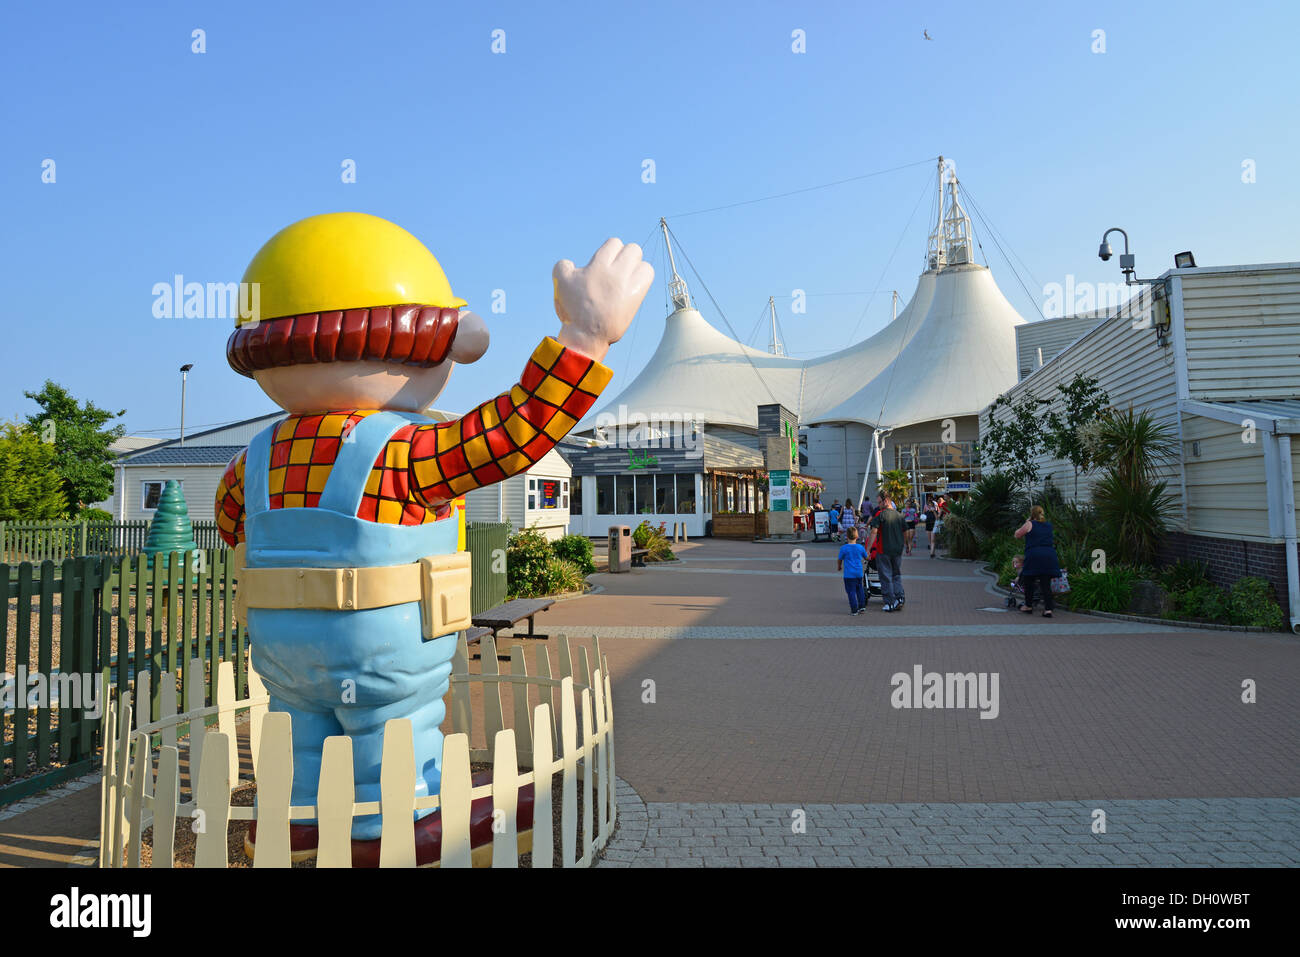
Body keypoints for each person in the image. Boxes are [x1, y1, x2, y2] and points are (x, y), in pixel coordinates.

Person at [1014, 505, 1061, 618]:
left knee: (1029, 581)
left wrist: (1026, 522)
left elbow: (1017, 535)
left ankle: (1028, 606)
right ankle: (1048, 610)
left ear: (1032, 514)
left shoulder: (1029, 524)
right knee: (1046, 584)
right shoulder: (1048, 525)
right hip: (1049, 555)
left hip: (1034, 556)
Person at [868, 491, 906, 611]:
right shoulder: (899, 515)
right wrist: (906, 545)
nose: (878, 505)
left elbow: (873, 532)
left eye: (879, 502)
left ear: (886, 501)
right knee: (896, 575)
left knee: (885, 577)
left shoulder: (880, 515)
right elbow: (905, 531)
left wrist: (868, 549)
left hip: (883, 550)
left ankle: (889, 602)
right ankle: (899, 598)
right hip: (897, 550)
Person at [836, 527, 869, 616]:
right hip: (858, 573)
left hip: (849, 574)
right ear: (857, 536)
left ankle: (854, 609)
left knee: (851, 592)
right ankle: (862, 606)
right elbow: (866, 557)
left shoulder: (844, 548)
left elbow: (840, 559)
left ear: (847, 536)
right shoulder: (860, 547)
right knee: (860, 590)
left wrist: (839, 566)